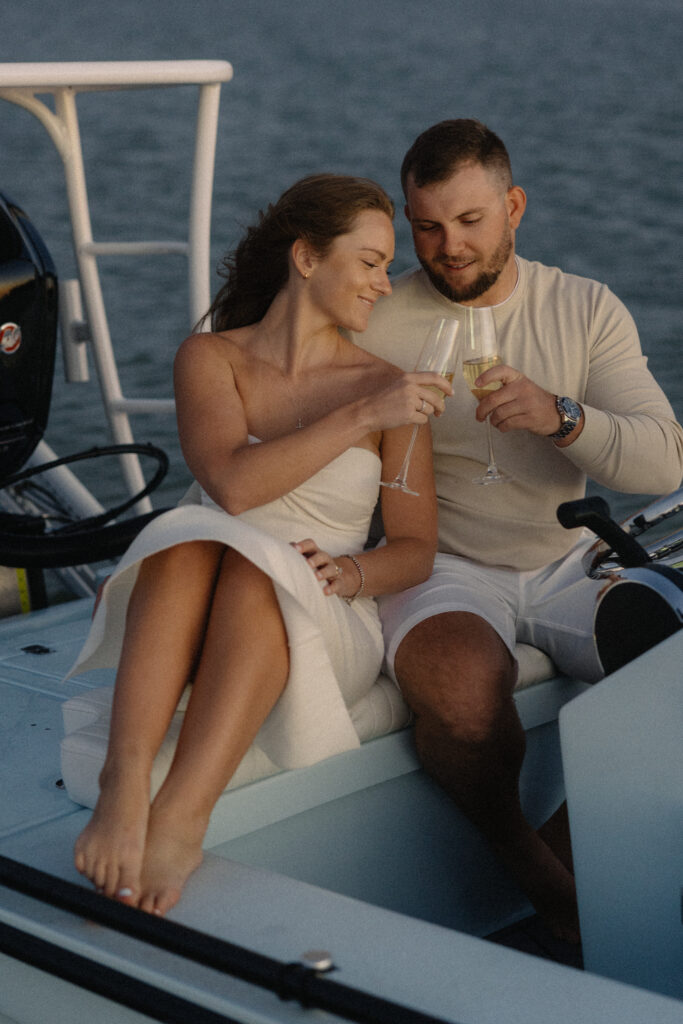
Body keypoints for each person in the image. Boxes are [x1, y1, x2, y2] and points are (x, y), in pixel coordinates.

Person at [70, 173, 453, 916]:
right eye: (370, 261)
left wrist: (348, 571)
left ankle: (180, 816)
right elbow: (234, 487)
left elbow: (414, 550)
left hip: (322, 608)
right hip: (205, 573)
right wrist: (358, 416)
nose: (384, 283)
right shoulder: (210, 359)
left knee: (253, 572)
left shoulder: (390, 391)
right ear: (306, 258)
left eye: (384, 265)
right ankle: (123, 784)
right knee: (183, 538)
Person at [350, 120, 683, 942]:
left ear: (512, 207)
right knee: (463, 694)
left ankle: (558, 859)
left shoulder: (582, 305)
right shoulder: (374, 318)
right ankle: (546, 885)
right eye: (426, 226)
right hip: (442, 565)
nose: (447, 247)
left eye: (469, 222)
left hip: (568, 556)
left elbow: (664, 460)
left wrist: (561, 416)